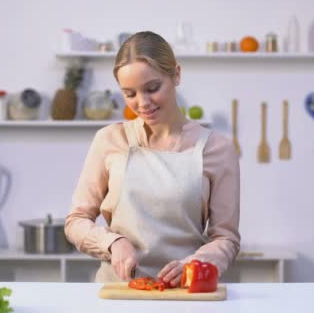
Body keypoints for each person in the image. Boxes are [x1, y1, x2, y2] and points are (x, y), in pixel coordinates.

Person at [65, 31, 240, 286]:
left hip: (186, 294)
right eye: (130, 94)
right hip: (119, 293)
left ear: (176, 75)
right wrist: (112, 243)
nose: (142, 103)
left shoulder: (217, 149)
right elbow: (76, 221)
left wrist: (195, 265)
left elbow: (226, 239)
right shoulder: (109, 140)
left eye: (152, 88)